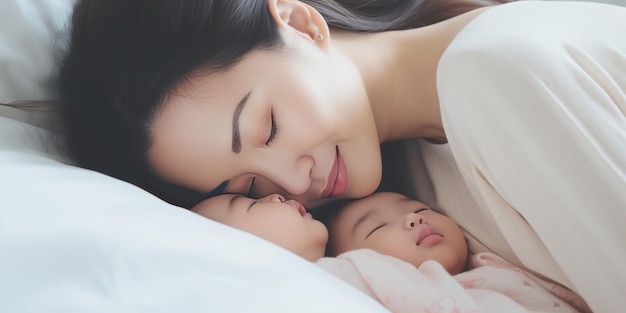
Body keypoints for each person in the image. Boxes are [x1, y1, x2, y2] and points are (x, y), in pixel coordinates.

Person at [58, 0, 626, 311]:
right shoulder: (399, 200)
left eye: (268, 125)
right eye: (250, 189)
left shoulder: (496, 68)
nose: (293, 179)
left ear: (302, 24)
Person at [191, 192, 590, 313]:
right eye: (248, 202)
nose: (415, 220)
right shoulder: (344, 275)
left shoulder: (487, 263)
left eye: (420, 209)